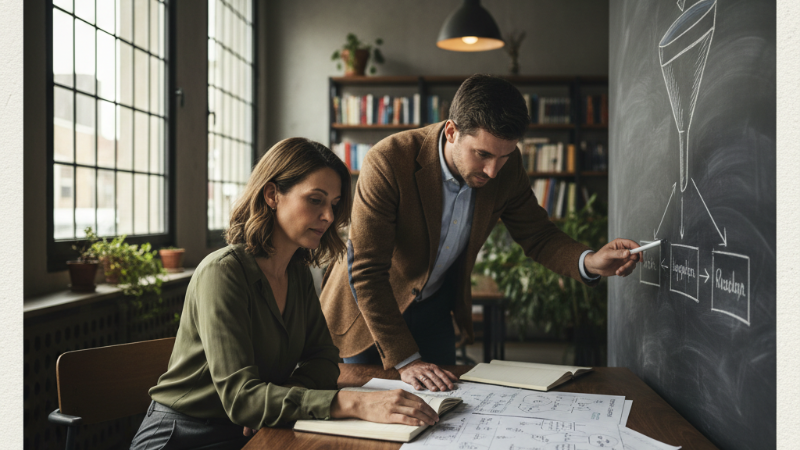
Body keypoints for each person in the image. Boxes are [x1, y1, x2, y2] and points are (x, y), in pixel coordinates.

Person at [319, 74, 641, 393]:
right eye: (483, 155)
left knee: (446, 411)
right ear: (452, 131)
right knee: (372, 421)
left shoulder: (507, 168)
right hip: (367, 314)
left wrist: (590, 261)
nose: (493, 171)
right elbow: (366, 271)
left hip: (434, 309)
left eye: (504, 156)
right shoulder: (388, 160)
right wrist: (406, 359)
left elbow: (538, 234)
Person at [130, 138, 440, 450]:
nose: (329, 217)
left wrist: (277, 399)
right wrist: (353, 402)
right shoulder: (222, 273)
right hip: (183, 434)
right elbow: (241, 399)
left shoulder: (297, 273)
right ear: (272, 195)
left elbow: (324, 359)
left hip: (258, 430)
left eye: (333, 204)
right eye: (316, 200)